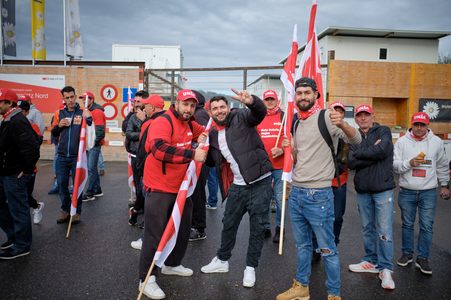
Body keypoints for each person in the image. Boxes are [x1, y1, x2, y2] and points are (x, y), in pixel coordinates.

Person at [276, 78, 361, 300]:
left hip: (319, 195)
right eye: (299, 93)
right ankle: (302, 287)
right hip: (296, 193)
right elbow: (299, 159)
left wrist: (342, 123)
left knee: (327, 249)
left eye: (307, 92)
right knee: (303, 246)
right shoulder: (296, 121)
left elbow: (358, 139)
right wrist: (291, 149)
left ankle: (334, 293)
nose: (302, 96)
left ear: (316, 94)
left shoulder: (326, 117)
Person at [200, 90, 274, 289]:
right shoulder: (213, 133)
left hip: (260, 182)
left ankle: (250, 268)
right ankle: (222, 261)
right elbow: (212, 162)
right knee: (228, 224)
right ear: (211, 112)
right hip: (238, 186)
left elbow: (259, 113)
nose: (219, 111)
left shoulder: (241, 117)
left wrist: (252, 101)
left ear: (228, 107)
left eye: (222, 107)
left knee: (257, 228)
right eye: (215, 108)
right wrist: (201, 146)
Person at [138, 89, 207, 299]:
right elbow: (159, 150)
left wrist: (202, 135)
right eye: (185, 104)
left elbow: (202, 131)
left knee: (182, 229)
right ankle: (146, 279)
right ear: (176, 103)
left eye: (192, 105)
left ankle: (172, 263)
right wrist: (191, 154)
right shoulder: (163, 121)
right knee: (154, 234)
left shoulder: (189, 123)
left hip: (181, 188)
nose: (188, 109)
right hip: (159, 186)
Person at [393, 112, 450, 274]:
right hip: (407, 191)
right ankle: (407, 254)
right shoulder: (402, 142)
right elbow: (395, 165)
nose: (419, 128)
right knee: (407, 225)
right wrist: (409, 163)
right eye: (416, 125)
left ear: (427, 125)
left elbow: (442, 165)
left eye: (422, 125)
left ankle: (423, 258)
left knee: (426, 226)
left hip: (428, 192)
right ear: (411, 124)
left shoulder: (437, 142)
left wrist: (445, 185)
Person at [347, 104, 396, 290]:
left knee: (384, 232)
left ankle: (385, 268)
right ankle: (371, 261)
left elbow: (383, 150)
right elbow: (351, 162)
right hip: (363, 191)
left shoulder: (383, 130)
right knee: (368, 228)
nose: (363, 118)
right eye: (360, 115)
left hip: (382, 189)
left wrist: (361, 154)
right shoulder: (354, 137)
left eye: (366, 115)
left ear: (372, 116)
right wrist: (370, 153)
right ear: (356, 119)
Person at [0, 89, 40, 259]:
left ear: (9, 103)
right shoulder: (9, 120)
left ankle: (22, 245)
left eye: (0, 102)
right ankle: (15, 237)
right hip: (6, 173)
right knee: (3, 205)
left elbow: (32, 148)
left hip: (15, 174)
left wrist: (27, 171)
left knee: (18, 209)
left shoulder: (17, 121)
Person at [311, 101, 349, 263]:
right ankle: (315, 248)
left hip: (340, 182)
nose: (337, 113)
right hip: (320, 182)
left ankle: (332, 245)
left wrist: (330, 171)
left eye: (340, 111)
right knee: (317, 217)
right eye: (334, 110)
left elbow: (346, 158)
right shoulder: (320, 129)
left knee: (337, 218)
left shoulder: (346, 131)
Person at [51, 86, 92, 224]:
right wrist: (58, 126)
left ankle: (76, 211)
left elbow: (92, 130)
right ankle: (66, 210)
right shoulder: (59, 113)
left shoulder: (83, 112)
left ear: (75, 96)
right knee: (62, 184)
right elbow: (53, 133)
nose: (70, 100)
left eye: (72, 96)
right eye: (67, 97)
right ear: (63, 98)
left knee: (77, 185)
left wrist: (89, 117)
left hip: (77, 157)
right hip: (62, 156)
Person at [128, 94, 166, 227]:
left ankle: (149, 223)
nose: (143, 107)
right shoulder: (167, 119)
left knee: (147, 193)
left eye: (145, 105)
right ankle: (136, 216)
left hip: (148, 166)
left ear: (152, 107)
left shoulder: (149, 122)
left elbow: (144, 147)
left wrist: (140, 167)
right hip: (161, 166)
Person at [256, 90, 285, 243]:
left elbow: (292, 141)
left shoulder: (284, 116)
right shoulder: (259, 117)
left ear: (276, 100)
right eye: (267, 99)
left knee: (280, 199)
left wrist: (282, 150)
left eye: (272, 99)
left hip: (280, 166)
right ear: (263, 101)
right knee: (265, 199)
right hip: (264, 167)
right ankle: (265, 227)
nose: (269, 102)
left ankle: (280, 229)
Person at [18, 99, 45, 225]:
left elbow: (37, 142)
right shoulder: (8, 124)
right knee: (17, 196)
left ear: (27, 112)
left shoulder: (32, 127)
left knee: (24, 194)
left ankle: (36, 207)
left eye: (21, 111)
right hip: (12, 168)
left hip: (29, 169)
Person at [189, 90, 211, 241]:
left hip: (199, 161)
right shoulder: (197, 114)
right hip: (194, 160)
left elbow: (202, 140)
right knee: (193, 193)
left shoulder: (201, 115)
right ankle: (193, 224)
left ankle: (199, 228)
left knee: (197, 194)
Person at [80, 92, 106, 202]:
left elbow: (100, 130)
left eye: (86, 99)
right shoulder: (87, 111)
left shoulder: (97, 112)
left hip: (94, 144)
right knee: (92, 168)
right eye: (83, 99)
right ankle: (97, 190)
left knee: (91, 168)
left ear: (92, 100)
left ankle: (90, 192)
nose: (84, 101)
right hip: (89, 144)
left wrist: (93, 144)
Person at [125, 91, 148, 213]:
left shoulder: (151, 116)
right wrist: (144, 135)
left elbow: (154, 133)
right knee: (138, 183)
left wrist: (144, 121)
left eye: (138, 101)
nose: (136, 104)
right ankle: (140, 207)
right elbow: (128, 133)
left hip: (149, 156)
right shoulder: (133, 117)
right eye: (135, 101)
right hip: (135, 154)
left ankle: (146, 206)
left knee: (147, 183)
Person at [204, 100, 219, 210]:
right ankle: (212, 201)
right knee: (214, 179)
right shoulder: (215, 120)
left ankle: (213, 202)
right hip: (214, 154)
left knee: (212, 179)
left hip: (211, 154)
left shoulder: (212, 122)